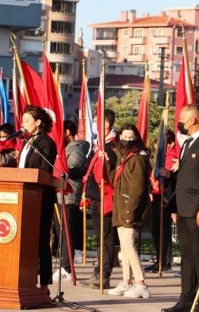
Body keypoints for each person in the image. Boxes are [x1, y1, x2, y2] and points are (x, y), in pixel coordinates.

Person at [160, 105, 199, 312]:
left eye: (183, 119)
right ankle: (186, 300)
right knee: (187, 256)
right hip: (184, 209)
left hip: (198, 210)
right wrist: (175, 207)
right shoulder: (188, 143)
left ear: (194, 120)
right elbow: (184, 178)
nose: (180, 123)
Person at [15, 105, 57, 293]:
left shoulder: (46, 143)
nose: (23, 124)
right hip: (23, 196)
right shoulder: (27, 142)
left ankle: (44, 285)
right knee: (25, 241)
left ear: (38, 122)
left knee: (41, 241)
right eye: (22, 121)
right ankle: (25, 280)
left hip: (40, 198)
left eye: (27, 121)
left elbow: (44, 172)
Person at [107, 124, 151, 299]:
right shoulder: (122, 157)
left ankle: (141, 283)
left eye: (131, 137)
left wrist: (131, 212)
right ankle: (127, 281)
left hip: (129, 207)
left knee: (128, 245)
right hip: (119, 206)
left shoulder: (138, 159)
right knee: (123, 248)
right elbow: (113, 180)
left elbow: (138, 189)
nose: (127, 140)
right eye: (124, 137)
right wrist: (107, 163)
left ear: (136, 138)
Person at [79, 109, 118, 290]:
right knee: (100, 239)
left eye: (97, 121)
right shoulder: (99, 145)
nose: (94, 125)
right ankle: (98, 272)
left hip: (106, 197)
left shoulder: (112, 146)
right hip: (96, 197)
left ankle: (104, 276)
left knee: (106, 238)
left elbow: (112, 174)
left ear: (106, 125)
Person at [52, 120, 89, 281]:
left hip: (69, 194)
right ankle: (63, 263)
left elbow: (74, 168)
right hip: (59, 194)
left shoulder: (77, 148)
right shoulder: (64, 148)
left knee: (67, 233)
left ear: (67, 132)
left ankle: (67, 267)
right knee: (60, 232)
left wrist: (58, 167)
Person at [146, 130, 178, 273]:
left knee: (163, 231)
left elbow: (172, 176)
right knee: (155, 229)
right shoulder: (160, 157)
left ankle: (165, 261)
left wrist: (168, 175)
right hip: (155, 195)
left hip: (165, 197)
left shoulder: (172, 156)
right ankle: (159, 260)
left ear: (170, 143)